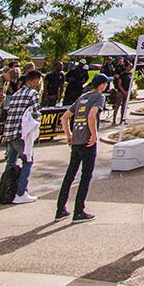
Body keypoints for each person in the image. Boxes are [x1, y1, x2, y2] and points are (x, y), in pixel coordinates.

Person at [56, 73, 108, 223]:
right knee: (86, 176)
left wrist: (69, 135)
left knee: (70, 175)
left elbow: (64, 117)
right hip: (87, 141)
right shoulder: (99, 97)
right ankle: (79, 210)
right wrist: (94, 134)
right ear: (102, 85)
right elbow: (92, 116)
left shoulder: (82, 97)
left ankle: (60, 209)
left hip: (77, 140)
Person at [3, 71, 43, 205]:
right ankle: (20, 192)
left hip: (10, 131)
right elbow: (37, 114)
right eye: (38, 81)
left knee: (11, 162)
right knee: (28, 161)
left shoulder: (16, 93)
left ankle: (6, 190)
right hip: (22, 133)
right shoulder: (32, 94)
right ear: (34, 80)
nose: (38, 84)